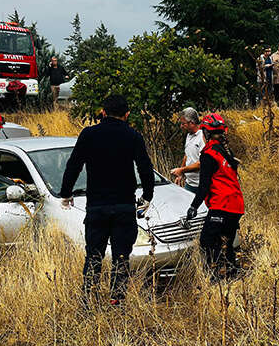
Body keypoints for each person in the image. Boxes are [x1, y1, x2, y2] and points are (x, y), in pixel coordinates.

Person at [59, 95, 155, 307]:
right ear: (127, 115)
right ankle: (117, 300)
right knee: (121, 256)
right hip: (124, 206)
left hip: (97, 206)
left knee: (93, 254)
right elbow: (145, 168)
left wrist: (66, 193)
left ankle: (88, 298)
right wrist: (147, 196)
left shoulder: (89, 134)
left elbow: (73, 165)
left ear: (103, 112)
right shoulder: (133, 136)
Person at [185, 113, 244, 280]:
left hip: (222, 204)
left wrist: (193, 207)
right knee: (226, 241)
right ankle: (232, 275)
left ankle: (216, 276)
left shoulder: (209, 153)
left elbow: (204, 186)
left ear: (205, 132)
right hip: (236, 204)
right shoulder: (226, 151)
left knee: (207, 241)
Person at [170, 107, 205, 192]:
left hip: (202, 185)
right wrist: (181, 174)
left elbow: (202, 163)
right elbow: (187, 155)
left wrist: (181, 170)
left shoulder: (203, 137)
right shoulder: (189, 135)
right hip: (189, 184)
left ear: (192, 123)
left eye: (183, 124)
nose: (181, 126)